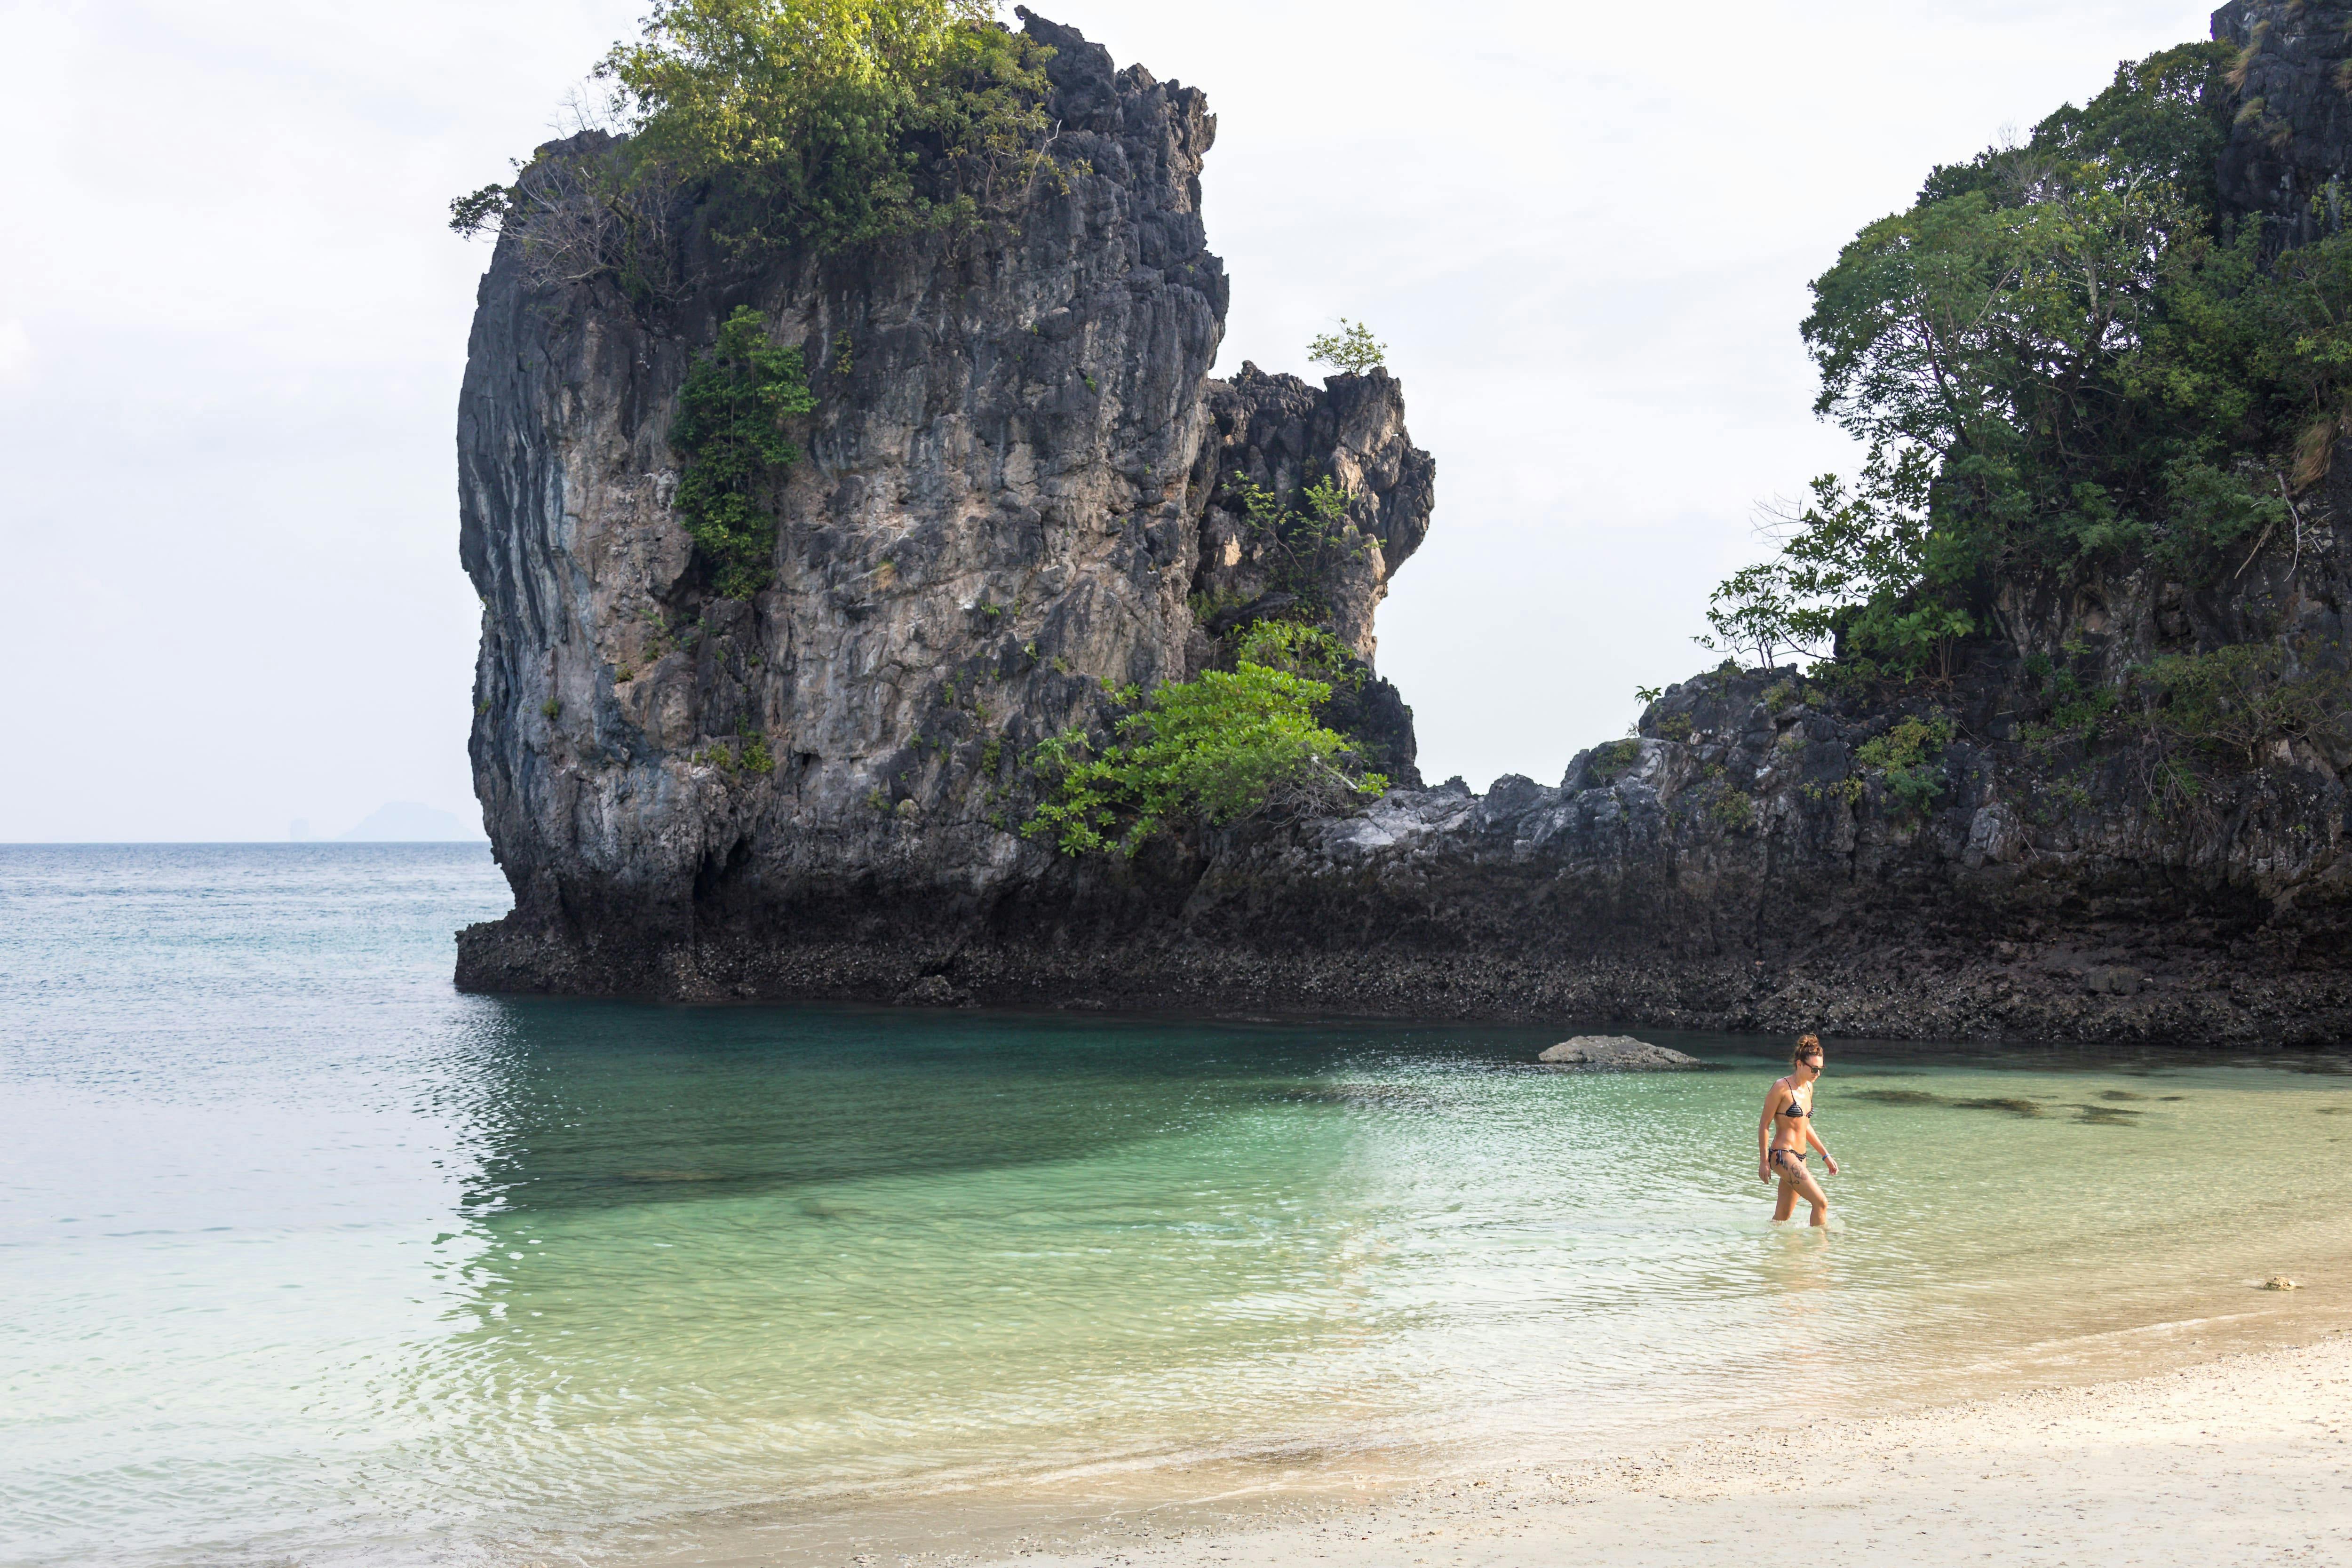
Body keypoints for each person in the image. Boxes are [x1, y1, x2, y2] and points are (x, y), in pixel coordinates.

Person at [1758, 1035, 1838, 1226]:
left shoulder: (1809, 1088)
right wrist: (1763, 1162)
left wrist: (1825, 1155)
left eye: (1821, 1069)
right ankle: (1820, 1251)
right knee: (1821, 1202)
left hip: (1801, 1157)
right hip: (1782, 1155)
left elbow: (1805, 1125)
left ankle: (1774, 1252)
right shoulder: (1781, 1088)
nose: (1817, 1074)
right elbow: (1764, 1125)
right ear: (1800, 1064)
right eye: (1814, 1069)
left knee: (1782, 1219)